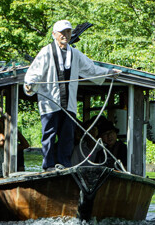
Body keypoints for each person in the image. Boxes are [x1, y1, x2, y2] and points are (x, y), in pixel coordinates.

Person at [23, 19, 118, 170]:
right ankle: (48, 165)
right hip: (50, 102)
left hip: (69, 105)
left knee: (67, 136)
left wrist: (108, 73)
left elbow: (91, 69)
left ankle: (64, 164)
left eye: (68, 32)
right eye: (62, 32)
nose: (65, 35)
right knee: (49, 135)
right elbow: (34, 72)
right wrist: (30, 83)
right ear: (54, 34)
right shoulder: (46, 52)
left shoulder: (75, 54)